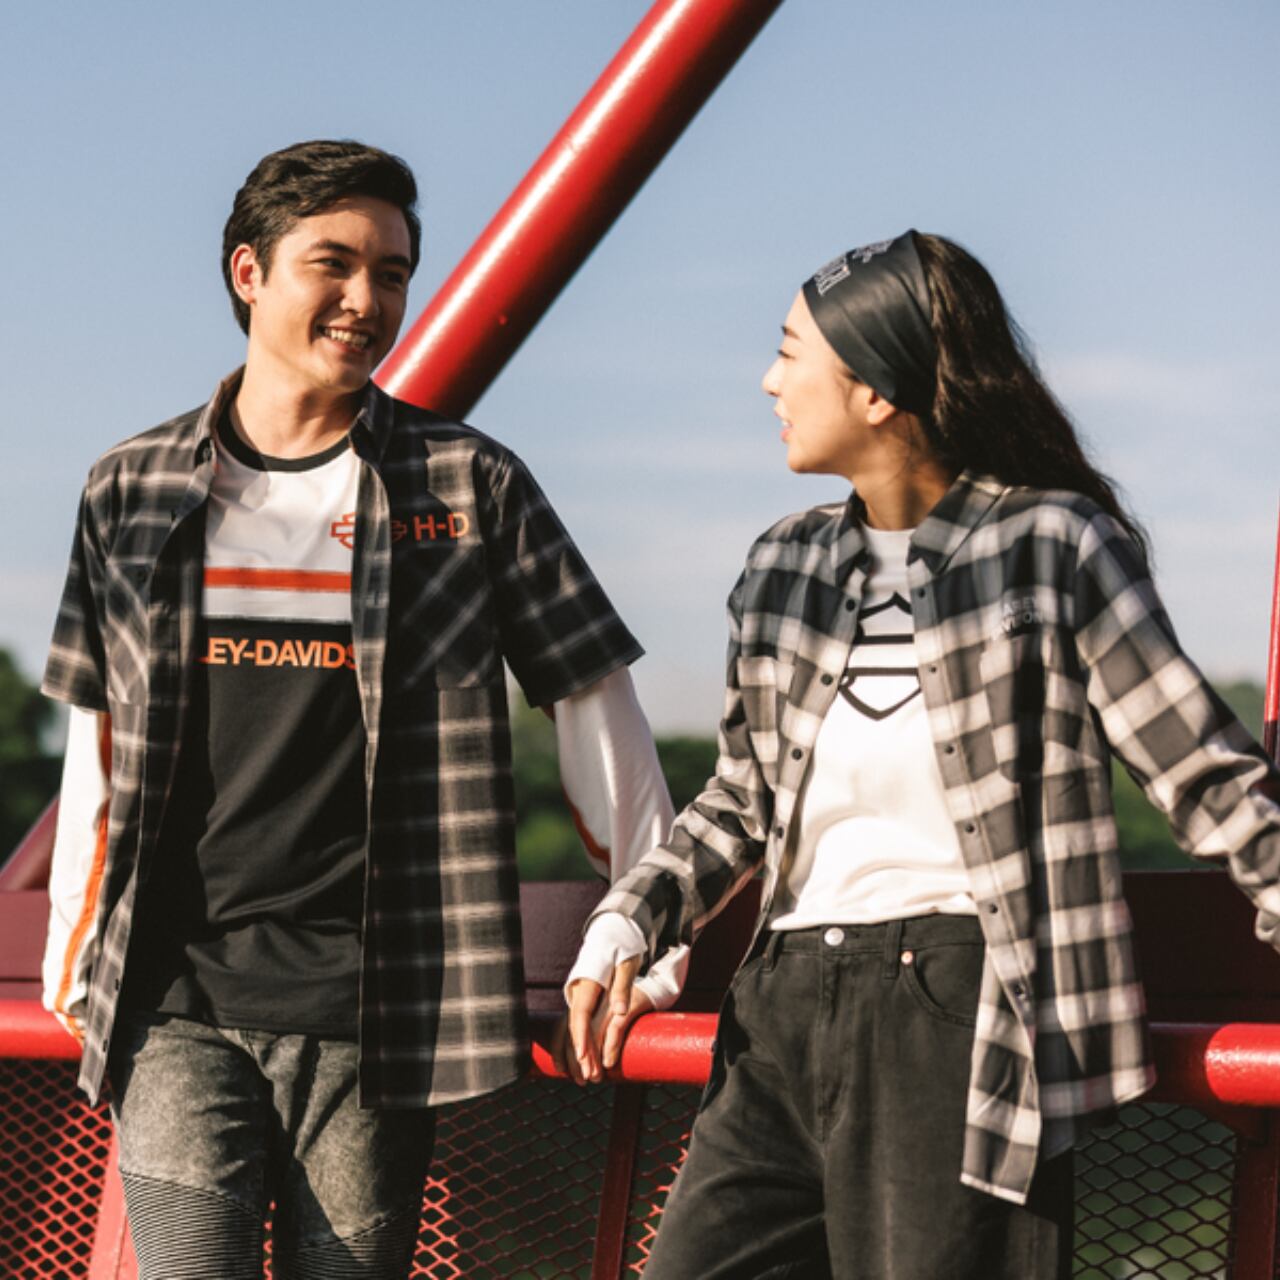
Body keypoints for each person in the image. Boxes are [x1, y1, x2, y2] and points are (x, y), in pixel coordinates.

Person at [566, 230, 1280, 1279]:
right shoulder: (782, 563)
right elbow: (740, 799)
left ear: (875, 390)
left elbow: (1200, 770)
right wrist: (629, 917)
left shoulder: (1052, 543)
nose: (768, 381)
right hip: (777, 1003)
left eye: (789, 353)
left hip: (957, 1003)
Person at [41, 139, 677, 1280]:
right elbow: (99, 737)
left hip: (383, 1007)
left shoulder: (467, 484)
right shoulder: (129, 485)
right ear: (248, 272)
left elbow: (594, 701)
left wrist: (645, 933)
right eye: (331, 264)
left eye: (391, 272)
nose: (366, 299)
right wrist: (72, 950)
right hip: (175, 994)